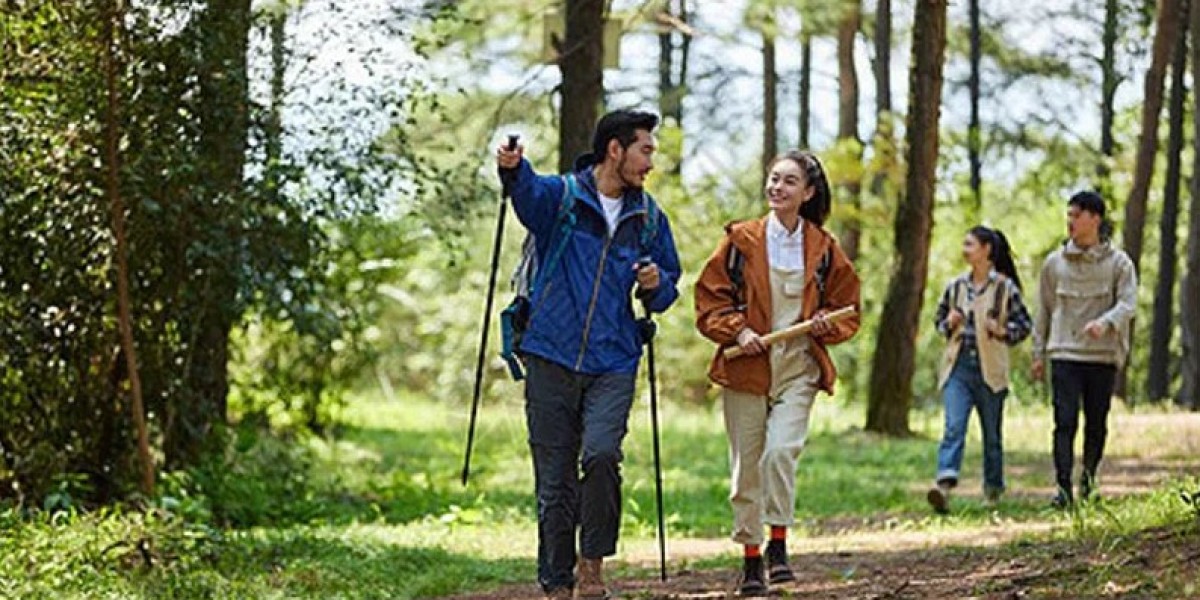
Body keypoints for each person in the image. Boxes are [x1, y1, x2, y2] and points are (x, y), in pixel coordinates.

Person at [495, 109, 682, 600]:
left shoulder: (649, 218)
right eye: (645, 150)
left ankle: (592, 569)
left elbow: (667, 289)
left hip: (614, 359)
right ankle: (557, 584)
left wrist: (656, 284)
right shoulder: (561, 198)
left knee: (601, 457)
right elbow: (526, 193)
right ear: (614, 150)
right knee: (555, 481)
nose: (650, 163)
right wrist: (514, 168)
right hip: (549, 354)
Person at [694, 151, 861, 596]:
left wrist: (826, 320)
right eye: (773, 179)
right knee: (746, 466)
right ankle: (751, 558)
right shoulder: (740, 240)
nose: (777, 187)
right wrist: (739, 329)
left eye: (789, 182)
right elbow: (709, 303)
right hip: (747, 367)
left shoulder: (824, 247)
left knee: (780, 452)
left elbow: (848, 306)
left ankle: (779, 545)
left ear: (807, 193)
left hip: (798, 366)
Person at [1032, 191, 1137, 508]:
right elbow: (1043, 311)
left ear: (1095, 218)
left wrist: (1105, 323)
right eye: (1069, 215)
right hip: (1064, 353)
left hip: (1101, 356)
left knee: (1096, 422)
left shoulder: (1119, 264)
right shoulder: (1054, 264)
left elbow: (1128, 304)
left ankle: (1088, 481)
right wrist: (1038, 354)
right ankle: (1062, 489)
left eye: (1077, 215)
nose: (1071, 222)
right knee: (1064, 421)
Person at [926, 226, 1034, 514]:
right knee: (953, 427)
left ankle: (993, 490)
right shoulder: (955, 287)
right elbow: (938, 323)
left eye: (970, 244)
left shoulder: (1004, 288)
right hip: (958, 367)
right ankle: (944, 486)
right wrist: (948, 323)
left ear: (986, 249)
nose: (965, 249)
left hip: (990, 369)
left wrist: (1001, 331)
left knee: (992, 436)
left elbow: (1024, 326)